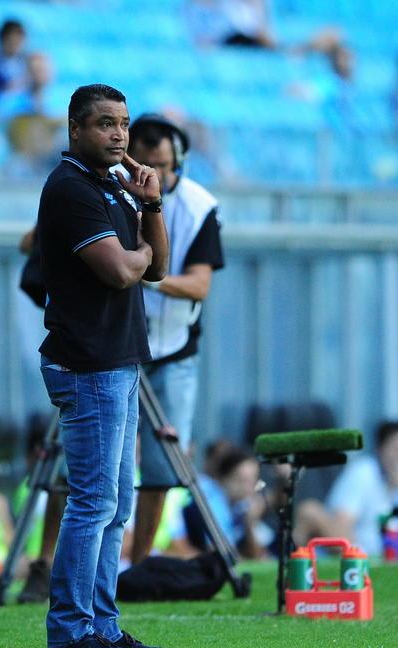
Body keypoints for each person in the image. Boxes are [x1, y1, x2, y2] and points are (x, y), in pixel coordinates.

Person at [36, 83, 168, 648]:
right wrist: (135, 255)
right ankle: (70, 628)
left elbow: (156, 268)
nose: (119, 133)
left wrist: (152, 205)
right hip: (89, 365)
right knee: (93, 500)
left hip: (117, 361)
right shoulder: (70, 188)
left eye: (123, 123)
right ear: (75, 129)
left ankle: (103, 626)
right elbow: (121, 272)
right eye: (105, 123)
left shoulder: (114, 184)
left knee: (116, 503)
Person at [124, 113, 225, 567]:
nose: (154, 175)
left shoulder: (200, 207)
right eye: (145, 163)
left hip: (174, 348)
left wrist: (149, 276)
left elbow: (200, 284)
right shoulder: (110, 194)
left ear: (178, 161)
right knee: (96, 458)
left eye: (162, 165)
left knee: (163, 466)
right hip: (120, 346)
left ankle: (140, 565)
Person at [295, 420, 398, 558]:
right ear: (380, 449)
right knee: (309, 510)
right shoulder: (362, 472)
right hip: (358, 549)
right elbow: (342, 523)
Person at [166, 443, 265, 560]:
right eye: (241, 480)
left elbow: (259, 555)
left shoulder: (243, 506)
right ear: (223, 478)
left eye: (253, 480)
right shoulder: (212, 496)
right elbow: (223, 557)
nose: (249, 488)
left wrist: (250, 524)